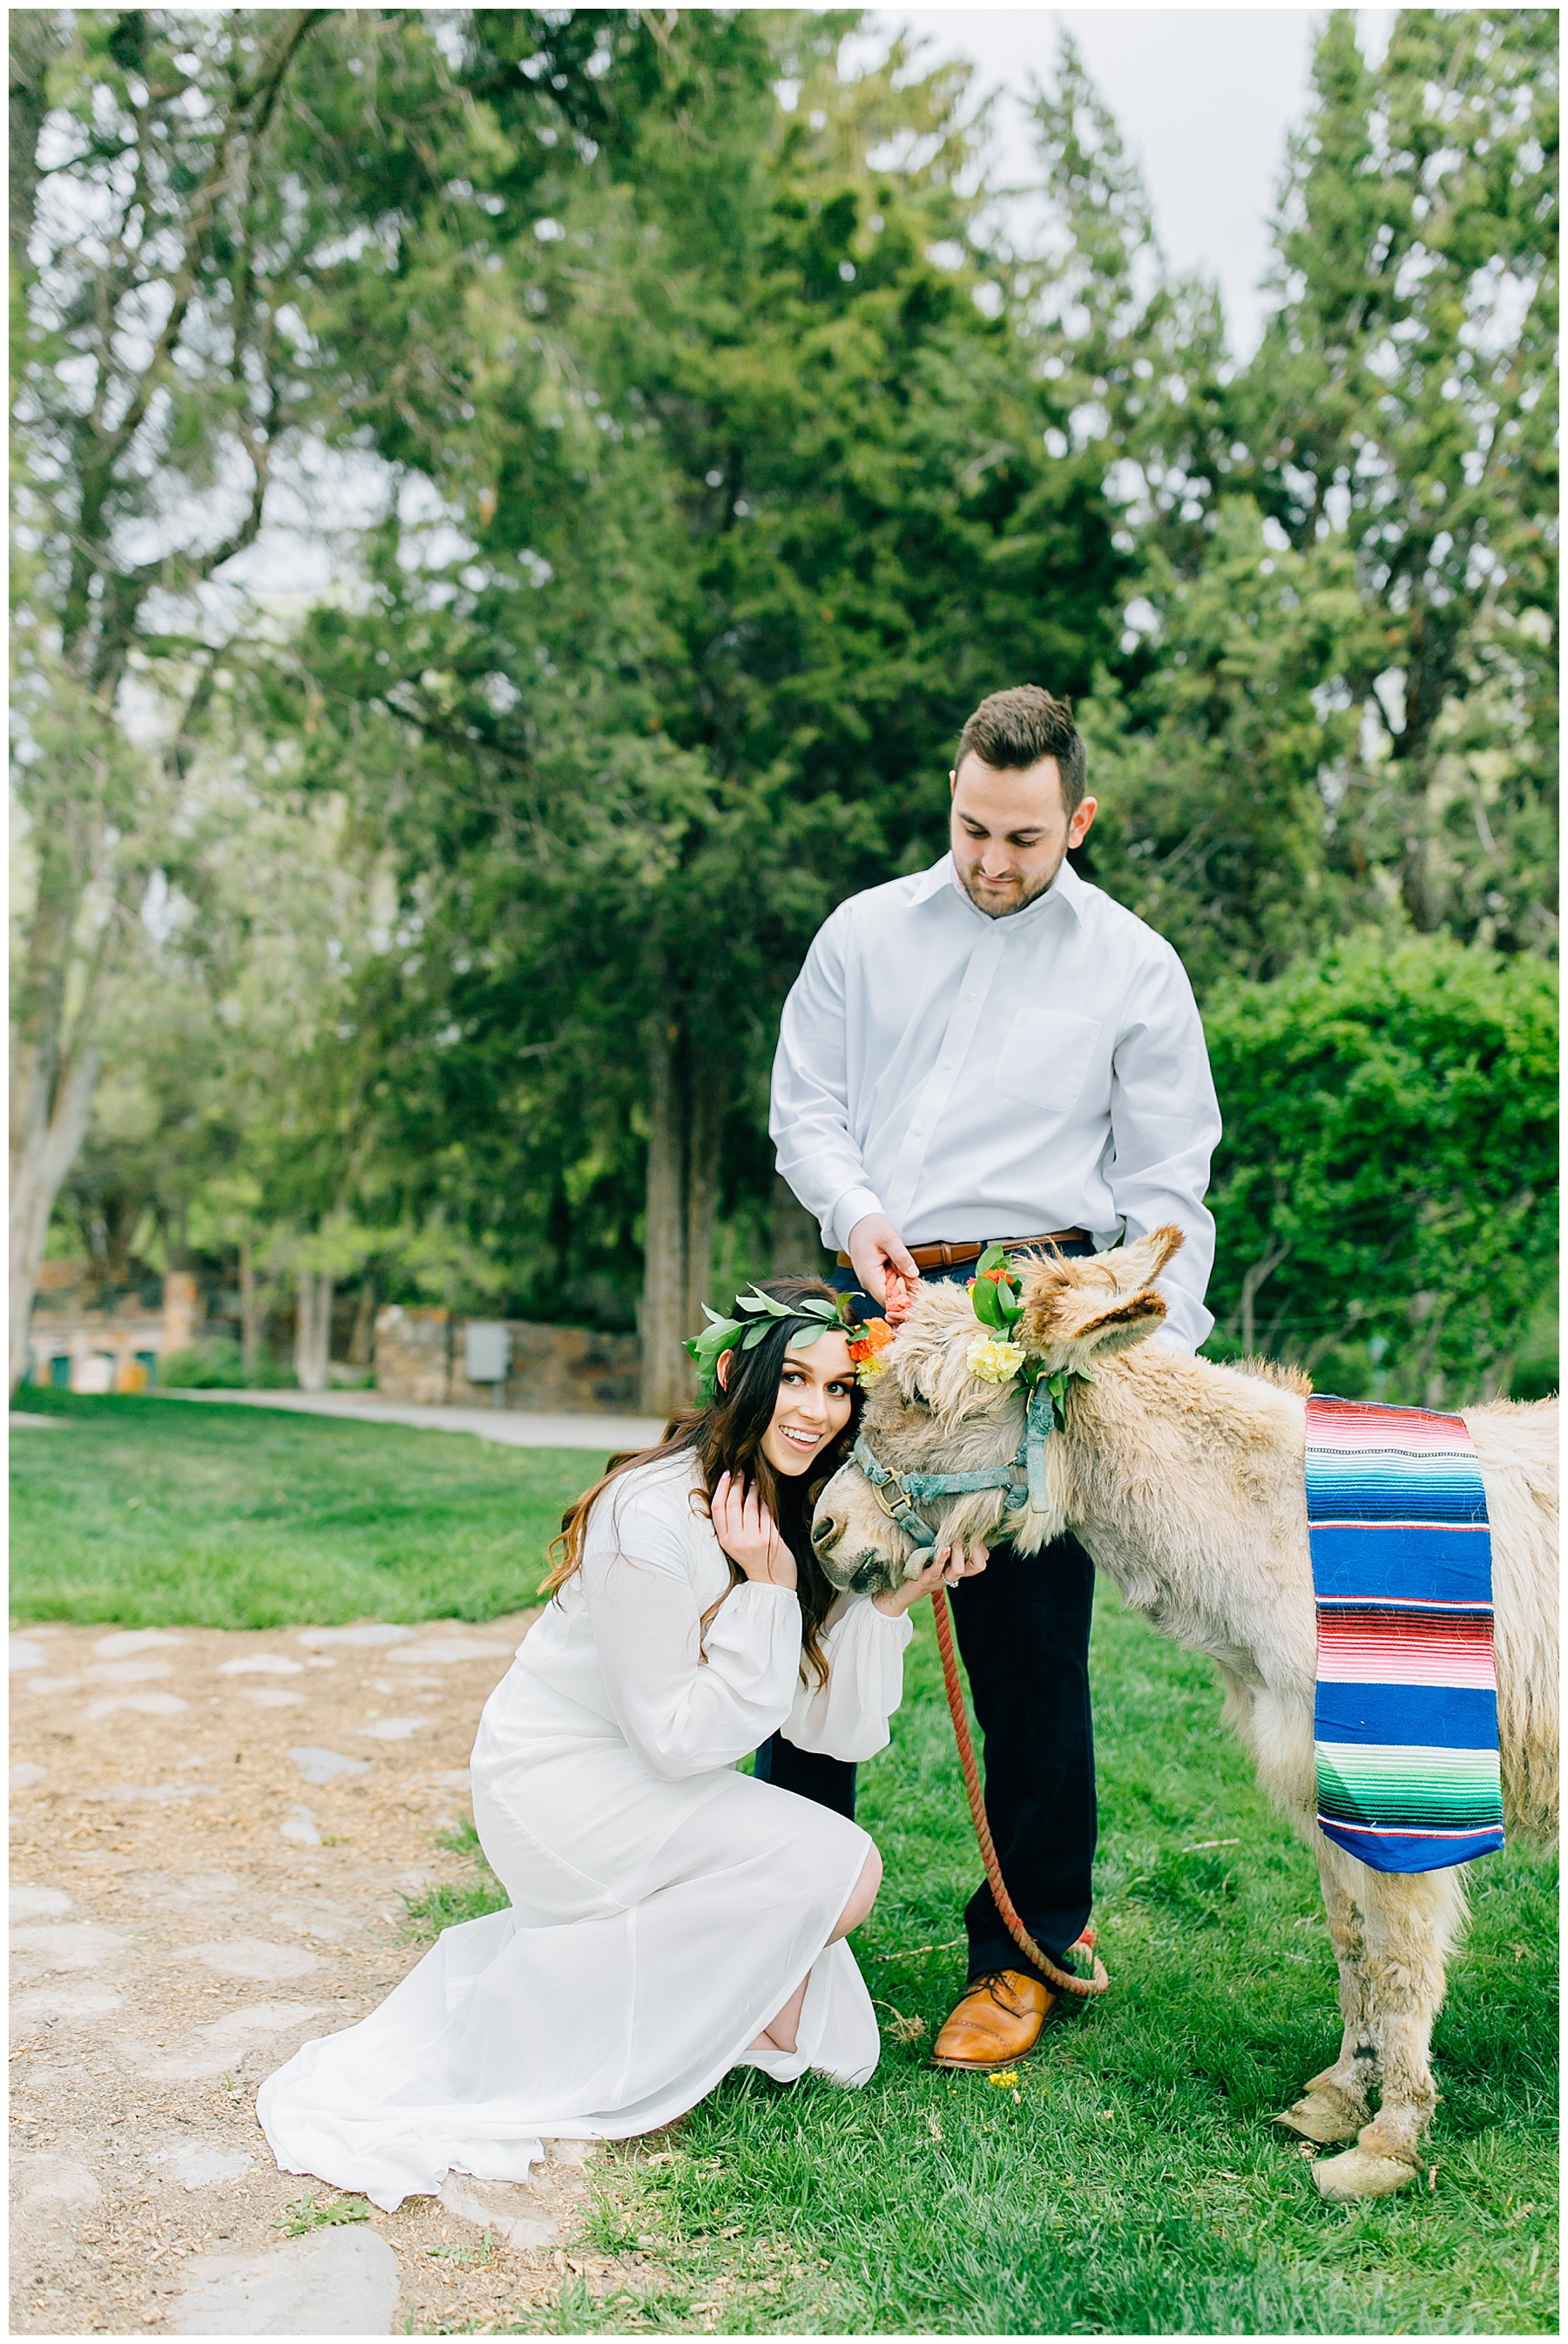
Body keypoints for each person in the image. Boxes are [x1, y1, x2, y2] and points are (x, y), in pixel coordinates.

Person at [256, 1277, 974, 2213]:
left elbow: (810, 1716)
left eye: (839, 1388)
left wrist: (885, 1598)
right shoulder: (650, 1511)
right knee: (847, 1872)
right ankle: (572, 2018)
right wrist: (763, 1587)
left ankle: (696, 2020)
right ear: (734, 1371)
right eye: (794, 1377)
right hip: (559, 1789)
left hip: (646, 1779)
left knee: (820, 1952)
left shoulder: (777, 1499)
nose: (816, 1408)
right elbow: (675, 1737)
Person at [769, 684, 1221, 2071]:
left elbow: (1166, 1187)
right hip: (883, 1294)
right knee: (821, 1603)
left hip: (1033, 1323)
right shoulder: (863, 933)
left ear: (1076, 817)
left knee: (1029, 1651)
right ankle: (774, 1911)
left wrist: (1130, 1357)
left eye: (1024, 837)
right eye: (972, 827)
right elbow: (809, 1108)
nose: (990, 860)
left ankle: (1024, 1943)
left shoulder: (1137, 967)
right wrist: (855, 1214)